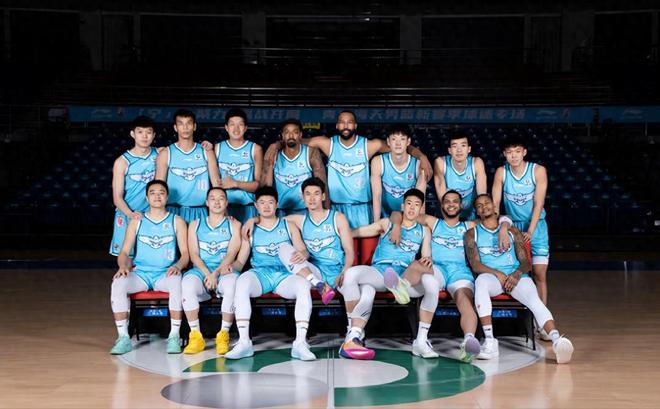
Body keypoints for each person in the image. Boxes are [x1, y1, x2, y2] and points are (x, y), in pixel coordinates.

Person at [264, 111, 432, 229]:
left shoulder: (368, 145)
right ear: (337, 125)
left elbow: (399, 147)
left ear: (355, 125)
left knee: (366, 254)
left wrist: (422, 156)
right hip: (337, 208)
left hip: (362, 208)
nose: (346, 125)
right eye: (342, 122)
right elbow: (296, 141)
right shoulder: (328, 144)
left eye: (349, 122)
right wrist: (276, 144)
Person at [464, 194, 574, 364]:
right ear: (477, 212)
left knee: (535, 301)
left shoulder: (512, 231)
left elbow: (526, 262)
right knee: (480, 282)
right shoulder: (472, 234)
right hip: (492, 278)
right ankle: (490, 342)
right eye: (479, 205)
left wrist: (516, 275)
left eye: (487, 203)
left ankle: (557, 340)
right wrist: (497, 273)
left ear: (494, 206)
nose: (484, 207)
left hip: (516, 277)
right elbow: (475, 264)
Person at [339, 189, 440, 359]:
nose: (412, 208)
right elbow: (356, 232)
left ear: (421, 208)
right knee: (352, 276)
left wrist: (428, 259)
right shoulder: (388, 223)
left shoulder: (424, 231)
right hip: (380, 273)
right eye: (409, 203)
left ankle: (421, 341)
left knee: (431, 279)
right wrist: (338, 232)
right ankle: (352, 334)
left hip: (405, 275)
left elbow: (426, 255)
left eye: (416, 205)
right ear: (402, 206)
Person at [224, 186, 316, 361]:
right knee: (242, 281)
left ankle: (300, 343)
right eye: (262, 203)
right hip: (261, 274)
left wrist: (302, 255)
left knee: (304, 285)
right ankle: (244, 343)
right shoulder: (250, 229)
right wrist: (231, 267)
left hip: (285, 275)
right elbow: (241, 261)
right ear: (256, 206)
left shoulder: (288, 225)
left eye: (270, 202)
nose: (266, 206)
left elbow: (303, 250)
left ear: (277, 205)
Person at [109, 180, 189, 355]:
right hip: (141, 273)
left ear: (167, 197)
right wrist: (122, 266)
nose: (157, 196)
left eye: (161, 193)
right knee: (118, 284)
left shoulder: (177, 221)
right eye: (153, 193)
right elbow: (124, 252)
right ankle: (123, 337)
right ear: (146, 198)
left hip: (165, 273)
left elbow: (185, 254)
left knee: (177, 283)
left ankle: (174, 336)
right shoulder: (136, 221)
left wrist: (178, 265)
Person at [492, 135, 551, 339]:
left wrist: (530, 231)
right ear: (504, 154)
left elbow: (539, 203)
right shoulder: (501, 172)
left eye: (517, 151)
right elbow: (495, 204)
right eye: (509, 152)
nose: (514, 156)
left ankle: (542, 324)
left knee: (539, 274)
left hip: (536, 227)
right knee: (517, 273)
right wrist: (500, 226)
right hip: (513, 228)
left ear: (524, 152)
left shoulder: (537, 170)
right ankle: (521, 321)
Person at [181, 187, 242, 355]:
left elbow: (231, 253)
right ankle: (195, 336)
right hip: (201, 270)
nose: (217, 202)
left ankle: (223, 335)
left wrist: (215, 273)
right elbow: (193, 254)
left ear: (226, 202)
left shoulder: (235, 225)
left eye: (221, 198)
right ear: (207, 202)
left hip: (223, 270)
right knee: (187, 283)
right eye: (213, 198)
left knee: (233, 284)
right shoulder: (195, 224)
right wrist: (208, 274)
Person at [155, 109, 221, 223]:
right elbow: (158, 187)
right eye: (181, 124)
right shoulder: (166, 153)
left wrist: (222, 213)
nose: (185, 128)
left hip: (200, 211)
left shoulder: (206, 151)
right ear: (175, 127)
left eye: (188, 123)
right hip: (173, 210)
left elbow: (216, 185)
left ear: (194, 126)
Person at [110, 115, 160, 256]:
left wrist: (207, 145)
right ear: (132, 134)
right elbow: (117, 197)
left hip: (151, 215)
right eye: (140, 132)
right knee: (126, 260)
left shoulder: (161, 154)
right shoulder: (122, 162)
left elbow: (182, 148)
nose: (144, 136)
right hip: (128, 213)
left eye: (148, 132)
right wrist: (131, 215)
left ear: (154, 135)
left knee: (149, 259)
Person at [261, 119, 329, 216]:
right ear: (282, 135)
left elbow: (322, 184)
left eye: (295, 132)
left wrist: (326, 211)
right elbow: (265, 187)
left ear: (300, 135)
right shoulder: (273, 154)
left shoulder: (310, 153)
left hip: (305, 210)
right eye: (287, 132)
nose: (291, 136)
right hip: (280, 211)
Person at [215, 108, 263, 223]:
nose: (236, 129)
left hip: (249, 207)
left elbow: (257, 185)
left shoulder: (255, 149)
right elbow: (214, 183)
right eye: (232, 124)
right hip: (224, 209)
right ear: (226, 127)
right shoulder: (217, 148)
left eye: (240, 125)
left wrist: (235, 183)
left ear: (245, 128)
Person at [371, 124, 426, 221]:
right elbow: (376, 196)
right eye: (394, 139)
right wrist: (376, 223)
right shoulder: (378, 162)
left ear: (408, 141)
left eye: (402, 139)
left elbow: (420, 200)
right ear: (388, 141)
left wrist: (419, 226)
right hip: (385, 217)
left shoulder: (418, 165)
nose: (398, 143)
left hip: (408, 218)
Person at [433, 132, 487, 220]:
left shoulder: (476, 163)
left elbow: (482, 197)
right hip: (447, 215)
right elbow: (443, 200)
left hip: (470, 216)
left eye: (463, 145)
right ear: (449, 150)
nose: (459, 150)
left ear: (469, 149)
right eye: (454, 146)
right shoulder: (441, 163)